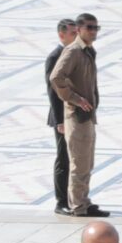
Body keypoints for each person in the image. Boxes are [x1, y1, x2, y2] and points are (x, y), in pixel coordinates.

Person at [47, 10, 103, 216]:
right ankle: (78, 206)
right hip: (76, 116)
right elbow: (56, 78)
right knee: (78, 164)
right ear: (79, 29)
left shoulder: (88, 50)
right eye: (90, 27)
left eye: (96, 28)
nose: (93, 31)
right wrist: (75, 99)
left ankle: (84, 201)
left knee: (87, 162)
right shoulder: (73, 51)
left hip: (87, 116)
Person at [43, 15, 79, 214]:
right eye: (73, 33)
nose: (76, 36)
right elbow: (52, 91)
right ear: (61, 35)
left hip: (76, 115)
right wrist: (59, 121)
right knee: (64, 158)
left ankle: (75, 199)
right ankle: (61, 201)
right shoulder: (54, 57)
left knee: (76, 159)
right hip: (62, 117)